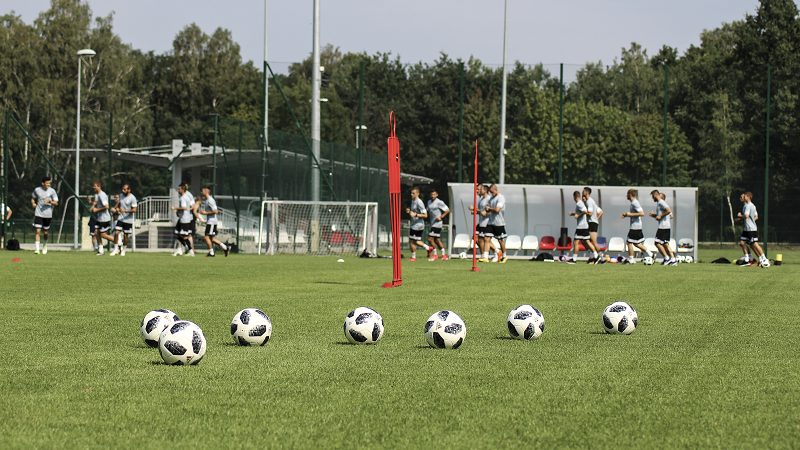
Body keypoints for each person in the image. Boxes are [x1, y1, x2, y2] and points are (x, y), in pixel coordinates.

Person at [735, 191, 769, 268]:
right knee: (742, 243)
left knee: (754, 244)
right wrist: (746, 221)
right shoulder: (752, 205)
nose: (743, 198)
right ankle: (748, 259)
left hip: (751, 229)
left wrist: (740, 216)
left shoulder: (748, 206)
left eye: (744, 196)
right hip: (747, 229)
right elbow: (755, 217)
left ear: (748, 197)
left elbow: (746, 215)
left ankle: (764, 259)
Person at [620, 189, 652, 264]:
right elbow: (635, 214)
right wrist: (626, 215)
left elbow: (642, 213)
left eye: (627, 194)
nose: (626, 196)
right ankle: (651, 254)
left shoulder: (635, 202)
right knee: (636, 243)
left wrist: (630, 214)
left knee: (629, 242)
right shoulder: (633, 203)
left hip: (635, 226)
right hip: (636, 226)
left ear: (630, 194)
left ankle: (631, 260)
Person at [197, 185, 230, 257]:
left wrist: (205, 213)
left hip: (212, 222)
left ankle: (211, 253)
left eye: (202, 191)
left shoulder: (210, 200)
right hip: (210, 221)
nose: (201, 192)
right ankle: (225, 247)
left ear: (206, 191)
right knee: (211, 238)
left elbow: (215, 211)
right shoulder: (206, 200)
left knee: (206, 237)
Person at [31, 176, 59, 254]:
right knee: (37, 231)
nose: (48, 185)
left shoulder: (52, 191)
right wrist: (33, 203)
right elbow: (33, 198)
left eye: (49, 183)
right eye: (47, 183)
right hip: (38, 213)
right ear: (43, 183)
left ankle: (45, 244)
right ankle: (37, 249)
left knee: (45, 232)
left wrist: (49, 201)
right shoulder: (37, 190)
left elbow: (56, 202)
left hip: (48, 214)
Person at [649, 190, 676, 265]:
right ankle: (673, 259)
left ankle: (667, 258)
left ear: (655, 194)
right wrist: (654, 215)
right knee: (665, 244)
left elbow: (668, 210)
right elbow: (661, 215)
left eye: (652, 196)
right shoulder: (659, 203)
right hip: (664, 226)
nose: (652, 198)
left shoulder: (661, 202)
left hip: (663, 227)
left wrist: (660, 216)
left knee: (657, 243)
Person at [567, 190, 595, 264]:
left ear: (574, 197)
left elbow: (585, 211)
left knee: (576, 242)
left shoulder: (579, 203)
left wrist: (577, 216)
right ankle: (596, 256)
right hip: (585, 226)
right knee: (587, 242)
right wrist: (573, 214)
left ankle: (574, 259)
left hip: (581, 226)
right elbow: (581, 212)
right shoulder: (580, 203)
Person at [109, 184, 137, 256]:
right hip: (121, 218)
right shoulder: (121, 196)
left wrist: (126, 210)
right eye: (123, 189)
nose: (123, 191)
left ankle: (123, 250)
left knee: (125, 236)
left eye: (124, 189)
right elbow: (119, 204)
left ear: (129, 190)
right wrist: (117, 208)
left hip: (128, 220)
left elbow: (135, 210)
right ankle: (115, 249)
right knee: (116, 233)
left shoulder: (132, 198)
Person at [405, 187, 431, 261]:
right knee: (414, 241)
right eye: (411, 193)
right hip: (414, 224)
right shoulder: (413, 201)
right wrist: (409, 211)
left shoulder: (419, 202)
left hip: (418, 225)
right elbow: (414, 211)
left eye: (413, 193)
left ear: (418, 193)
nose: (411, 194)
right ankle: (428, 248)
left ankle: (413, 257)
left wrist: (415, 215)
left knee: (411, 241)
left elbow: (425, 215)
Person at [171, 181, 196, 256]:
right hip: (181, 218)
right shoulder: (182, 197)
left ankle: (190, 251)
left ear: (182, 189)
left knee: (185, 236)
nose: (178, 190)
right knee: (176, 234)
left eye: (179, 189)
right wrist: (178, 211)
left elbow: (185, 207)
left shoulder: (184, 197)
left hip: (185, 219)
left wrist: (175, 208)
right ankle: (184, 248)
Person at [485, 184, 508, 263]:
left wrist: (489, 208)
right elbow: (489, 208)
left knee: (500, 240)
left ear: (495, 189)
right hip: (491, 222)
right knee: (486, 238)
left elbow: (497, 209)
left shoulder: (501, 198)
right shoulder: (491, 198)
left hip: (499, 223)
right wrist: (487, 209)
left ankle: (504, 255)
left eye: (492, 192)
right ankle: (485, 256)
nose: (491, 194)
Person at [90, 181, 115, 255]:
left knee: (102, 235)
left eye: (95, 186)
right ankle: (101, 250)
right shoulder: (98, 195)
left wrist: (97, 210)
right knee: (96, 233)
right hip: (99, 218)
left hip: (104, 218)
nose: (93, 187)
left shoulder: (102, 195)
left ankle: (118, 243)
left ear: (99, 186)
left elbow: (106, 206)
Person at [426, 189, 450, 261]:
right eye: (432, 195)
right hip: (432, 223)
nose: (433, 196)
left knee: (430, 239)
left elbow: (447, 210)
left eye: (434, 194)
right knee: (437, 240)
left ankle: (435, 254)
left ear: (437, 195)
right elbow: (427, 211)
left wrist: (441, 217)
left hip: (437, 224)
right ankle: (444, 254)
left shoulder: (439, 202)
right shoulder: (429, 202)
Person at [583, 187, 603, 263]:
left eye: (583, 191)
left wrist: (583, 212)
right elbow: (600, 212)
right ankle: (594, 257)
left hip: (592, 223)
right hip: (593, 222)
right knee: (589, 241)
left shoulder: (589, 201)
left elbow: (590, 213)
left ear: (586, 192)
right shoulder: (592, 201)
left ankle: (600, 257)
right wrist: (596, 219)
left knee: (593, 242)